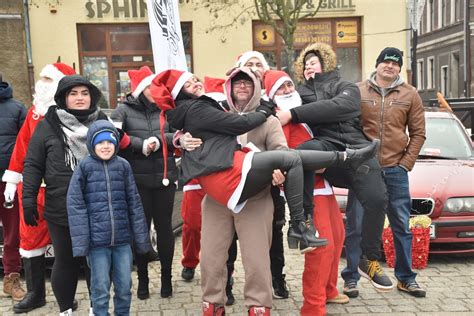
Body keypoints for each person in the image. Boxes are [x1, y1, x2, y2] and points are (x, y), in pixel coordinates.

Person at [150, 68, 378, 314]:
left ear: (257, 88)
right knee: (211, 258)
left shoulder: (269, 119)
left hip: (256, 196)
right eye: (237, 83)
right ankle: (213, 303)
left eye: (248, 83)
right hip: (217, 197)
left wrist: (278, 175)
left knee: (257, 259)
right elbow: (174, 125)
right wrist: (180, 139)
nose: (242, 87)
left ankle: (258, 306)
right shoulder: (216, 112)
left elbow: (282, 150)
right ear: (229, 88)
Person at [277, 42, 392, 291]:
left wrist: (295, 113)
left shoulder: (346, 87)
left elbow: (345, 107)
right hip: (326, 146)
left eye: (314, 62)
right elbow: (278, 106)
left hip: (359, 148)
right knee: (302, 154)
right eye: (305, 64)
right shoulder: (299, 93)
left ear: (326, 63)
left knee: (377, 198)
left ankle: (369, 258)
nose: (309, 66)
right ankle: (302, 223)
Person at [22, 75, 130, 315]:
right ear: (63, 98)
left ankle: (96, 308)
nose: (79, 98)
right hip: (62, 208)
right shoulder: (48, 124)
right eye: (73, 93)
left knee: (97, 263)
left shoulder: (103, 121)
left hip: (99, 206)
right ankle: (65, 310)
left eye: (84, 93)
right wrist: (27, 199)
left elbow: (121, 157)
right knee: (66, 261)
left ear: (92, 96)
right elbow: (32, 164)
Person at [341, 47, 426, 298]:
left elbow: (418, 133)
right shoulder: (358, 91)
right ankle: (351, 278)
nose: (389, 66)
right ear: (377, 64)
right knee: (356, 226)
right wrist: (355, 158)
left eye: (395, 63)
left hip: (395, 170)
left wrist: (405, 164)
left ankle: (406, 278)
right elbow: (347, 127)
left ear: (399, 68)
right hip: (364, 170)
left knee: (401, 225)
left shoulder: (410, 94)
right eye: (385, 62)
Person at [265, 70, 348, 315]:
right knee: (321, 247)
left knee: (338, 235)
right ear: (272, 95)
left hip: (326, 186)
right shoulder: (278, 122)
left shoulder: (304, 113)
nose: (288, 90)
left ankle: (329, 290)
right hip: (308, 191)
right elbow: (281, 156)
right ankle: (313, 305)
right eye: (281, 88)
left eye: (289, 84)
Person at [2, 63, 76, 313]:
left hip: (61, 189)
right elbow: (21, 146)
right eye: (41, 78)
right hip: (33, 189)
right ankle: (36, 294)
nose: (42, 83)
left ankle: (66, 294)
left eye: (48, 79)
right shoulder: (34, 113)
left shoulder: (72, 115)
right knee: (30, 241)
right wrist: (12, 180)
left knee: (65, 244)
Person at [67, 120, 151, 316]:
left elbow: (134, 203)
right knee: (100, 289)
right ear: (91, 145)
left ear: (116, 144)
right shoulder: (84, 168)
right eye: (100, 142)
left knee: (124, 287)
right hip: (97, 244)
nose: (105, 146)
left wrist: (141, 239)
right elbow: (75, 205)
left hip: (122, 242)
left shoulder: (123, 166)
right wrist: (81, 243)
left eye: (110, 142)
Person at [111, 66, 178, 299]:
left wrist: (159, 142)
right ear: (140, 89)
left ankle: (167, 279)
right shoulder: (123, 110)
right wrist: (140, 145)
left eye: (157, 85)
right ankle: (142, 280)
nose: (155, 90)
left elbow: (180, 135)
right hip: (137, 180)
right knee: (139, 231)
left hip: (165, 178)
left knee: (164, 229)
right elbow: (115, 136)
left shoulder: (167, 108)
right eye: (150, 86)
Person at [234, 51, 290, 300]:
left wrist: (279, 169)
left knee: (273, 235)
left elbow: (280, 147)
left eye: (259, 64)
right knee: (228, 240)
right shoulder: (227, 104)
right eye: (249, 64)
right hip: (232, 186)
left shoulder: (273, 103)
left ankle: (277, 279)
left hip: (266, 186)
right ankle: (225, 287)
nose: (254, 68)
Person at [179, 76, 224, 282]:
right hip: (195, 175)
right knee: (192, 224)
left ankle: (224, 270)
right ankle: (189, 261)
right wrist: (180, 140)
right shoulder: (181, 109)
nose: (196, 83)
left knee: (222, 227)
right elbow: (172, 134)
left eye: (198, 80)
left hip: (219, 173)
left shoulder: (221, 106)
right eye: (190, 83)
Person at [0, 77, 27, 302]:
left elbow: (27, 143)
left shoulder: (17, 108)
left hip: (8, 180)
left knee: (12, 232)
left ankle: (11, 278)